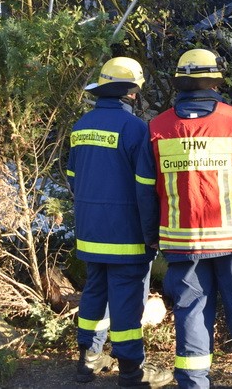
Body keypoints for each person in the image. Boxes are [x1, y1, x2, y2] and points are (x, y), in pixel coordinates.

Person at [149, 49, 232, 389]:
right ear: (214, 81)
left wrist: (151, 233)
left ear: (179, 82)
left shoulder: (158, 127)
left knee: (191, 314)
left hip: (183, 245)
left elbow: (144, 189)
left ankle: (194, 383)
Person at [68, 56, 173, 388]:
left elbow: (73, 178)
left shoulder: (81, 126)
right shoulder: (135, 129)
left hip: (89, 233)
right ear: (132, 93)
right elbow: (146, 188)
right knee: (127, 303)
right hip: (126, 236)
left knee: (95, 294)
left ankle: (88, 359)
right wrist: (151, 232)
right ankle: (132, 373)